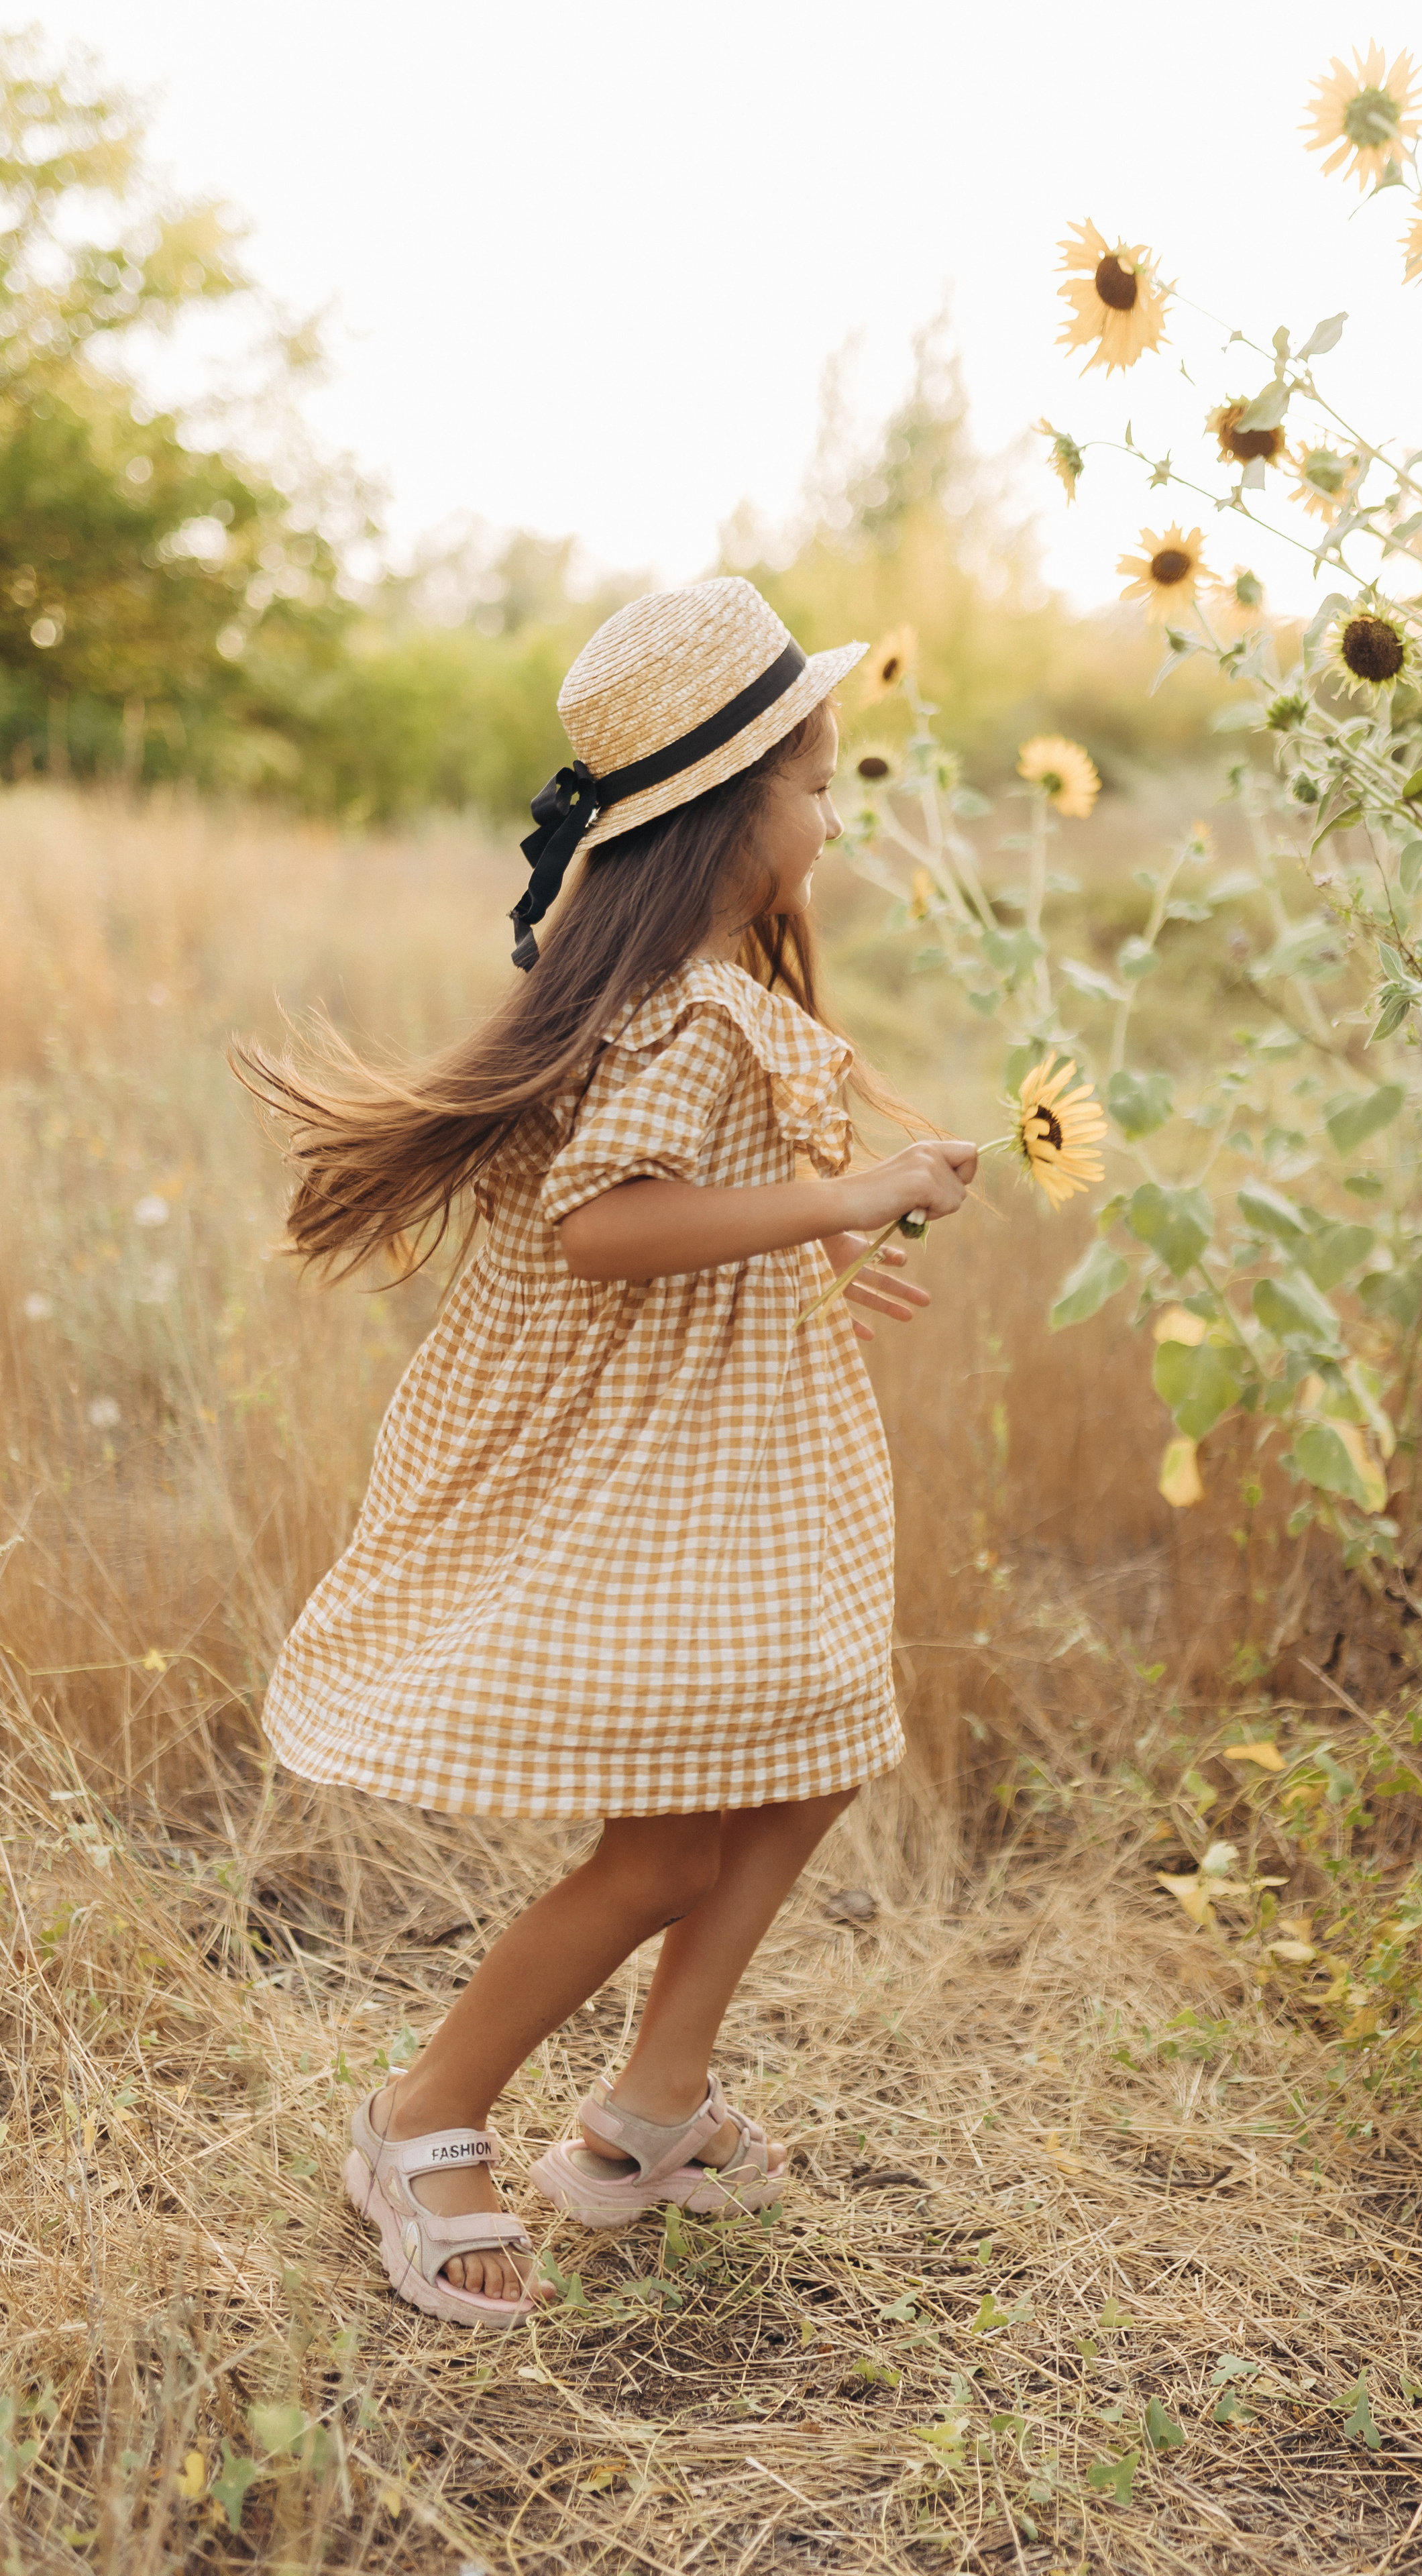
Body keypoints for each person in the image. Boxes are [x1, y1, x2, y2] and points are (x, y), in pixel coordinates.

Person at [238, 577, 977, 2327]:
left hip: (741, 1457)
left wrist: (802, 1253)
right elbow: (606, 1228)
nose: (830, 814)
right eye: (816, 781)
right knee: (660, 1848)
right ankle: (421, 2119)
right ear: (728, 815)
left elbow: (674, 1216)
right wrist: (848, 1192)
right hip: (666, 1482)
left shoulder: (707, 993)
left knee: (809, 1758)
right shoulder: (692, 1011)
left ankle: (650, 2112)